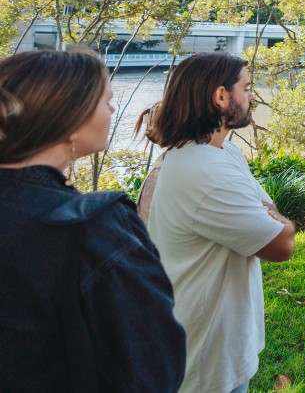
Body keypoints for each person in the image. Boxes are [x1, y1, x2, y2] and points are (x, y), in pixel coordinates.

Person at [0, 49, 185, 391]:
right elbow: (152, 366)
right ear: (71, 118)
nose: (113, 110)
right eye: (106, 101)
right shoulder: (92, 227)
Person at [141, 53, 296, 393]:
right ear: (221, 96)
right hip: (204, 363)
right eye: (247, 87)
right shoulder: (207, 172)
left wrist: (271, 215)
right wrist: (281, 221)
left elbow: (268, 209)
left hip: (219, 347)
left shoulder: (222, 153)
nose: (251, 95)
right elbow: (281, 243)